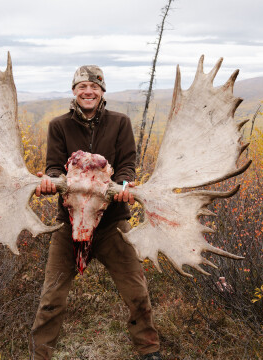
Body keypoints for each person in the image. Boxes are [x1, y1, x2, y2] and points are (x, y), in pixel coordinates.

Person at [30, 65, 162, 360]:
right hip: (70, 224)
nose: (87, 92)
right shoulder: (59, 126)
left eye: (94, 87)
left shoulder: (120, 123)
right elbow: (53, 165)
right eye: (81, 87)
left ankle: (149, 350)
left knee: (137, 292)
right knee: (51, 299)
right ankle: (40, 355)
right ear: (74, 92)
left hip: (112, 223)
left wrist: (125, 184)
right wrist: (51, 181)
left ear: (102, 92)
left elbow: (128, 163)